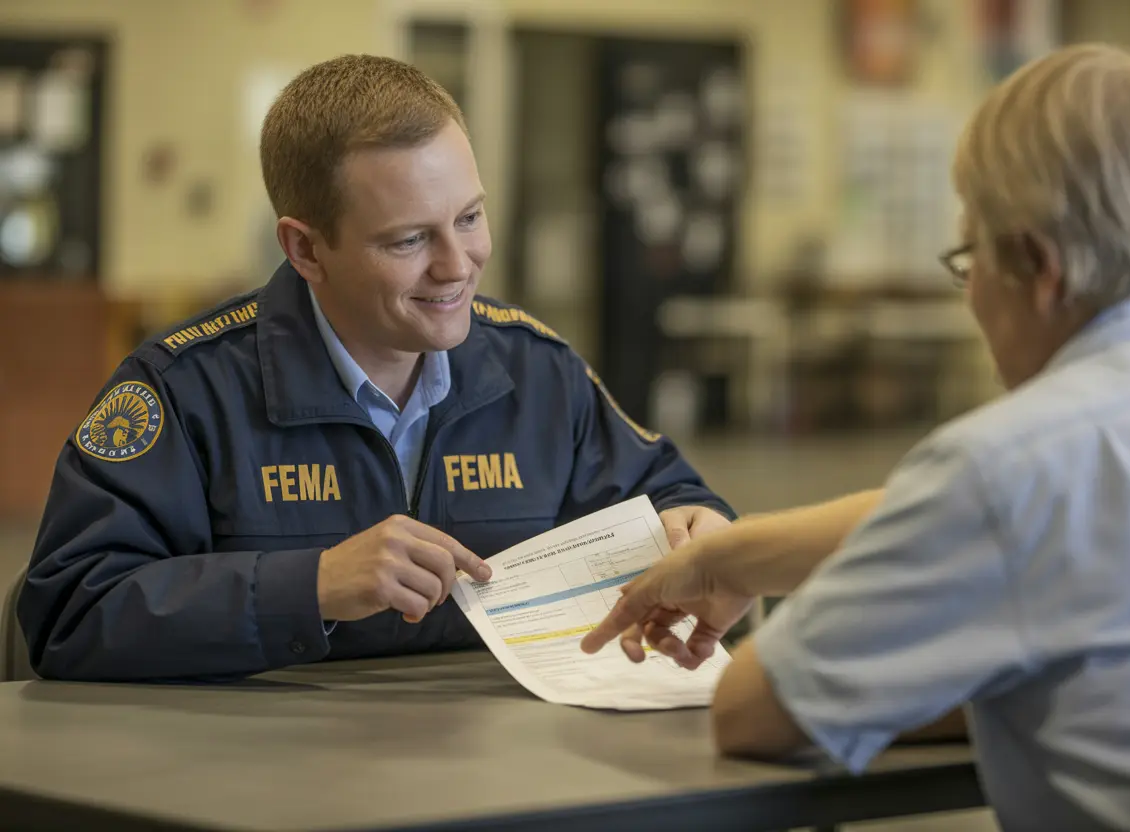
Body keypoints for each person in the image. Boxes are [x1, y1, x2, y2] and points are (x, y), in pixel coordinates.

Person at [583, 43, 1130, 832]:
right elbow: (980, 518)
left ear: (1036, 266)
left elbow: (758, 713)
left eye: (968, 259)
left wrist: (953, 667)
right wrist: (736, 554)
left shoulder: (1015, 462)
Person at [18, 55, 734, 683]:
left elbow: (669, 496)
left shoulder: (540, 373)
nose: (458, 266)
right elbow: (69, 613)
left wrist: (699, 526)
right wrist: (313, 585)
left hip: (502, 775)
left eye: (470, 217)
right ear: (305, 250)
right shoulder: (185, 392)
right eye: (409, 239)